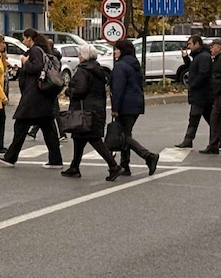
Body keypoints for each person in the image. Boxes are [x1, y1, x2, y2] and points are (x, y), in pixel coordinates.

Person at [0, 29, 62, 168]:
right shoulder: (43, 51)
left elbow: (36, 67)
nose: (23, 41)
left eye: (24, 38)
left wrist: (24, 62)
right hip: (42, 98)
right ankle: (56, 160)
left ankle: (10, 157)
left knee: (20, 126)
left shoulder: (35, 50)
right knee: (49, 129)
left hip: (34, 97)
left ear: (29, 38)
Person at [62, 44, 123, 181]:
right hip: (96, 108)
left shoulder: (83, 70)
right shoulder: (98, 69)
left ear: (84, 56)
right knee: (79, 138)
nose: (78, 57)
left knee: (94, 139)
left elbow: (80, 89)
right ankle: (74, 167)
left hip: (84, 110)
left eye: (80, 54)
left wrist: (69, 91)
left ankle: (114, 166)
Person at [109, 39, 160, 176]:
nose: (115, 52)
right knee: (126, 134)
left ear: (122, 50)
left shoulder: (121, 66)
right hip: (135, 103)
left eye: (117, 49)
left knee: (124, 136)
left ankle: (148, 156)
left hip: (125, 105)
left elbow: (118, 89)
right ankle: (125, 165)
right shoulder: (134, 64)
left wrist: (115, 108)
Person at [175, 35, 214, 148]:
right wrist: (186, 58)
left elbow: (203, 74)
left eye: (190, 44)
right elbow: (192, 68)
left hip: (201, 94)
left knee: (194, 117)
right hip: (201, 94)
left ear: (197, 44)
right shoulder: (199, 56)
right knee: (209, 118)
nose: (189, 46)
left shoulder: (203, 57)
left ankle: (188, 140)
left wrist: (193, 85)